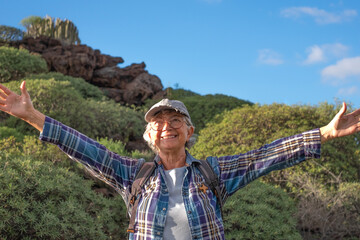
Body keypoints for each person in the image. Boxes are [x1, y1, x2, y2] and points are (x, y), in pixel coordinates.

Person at [0, 81, 360, 240]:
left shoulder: (213, 172)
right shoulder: (132, 174)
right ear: (149, 137)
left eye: (176, 122)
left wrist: (324, 133)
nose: (166, 127)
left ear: (190, 133)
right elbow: (85, 148)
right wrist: (32, 116)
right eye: (158, 123)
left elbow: (265, 156)